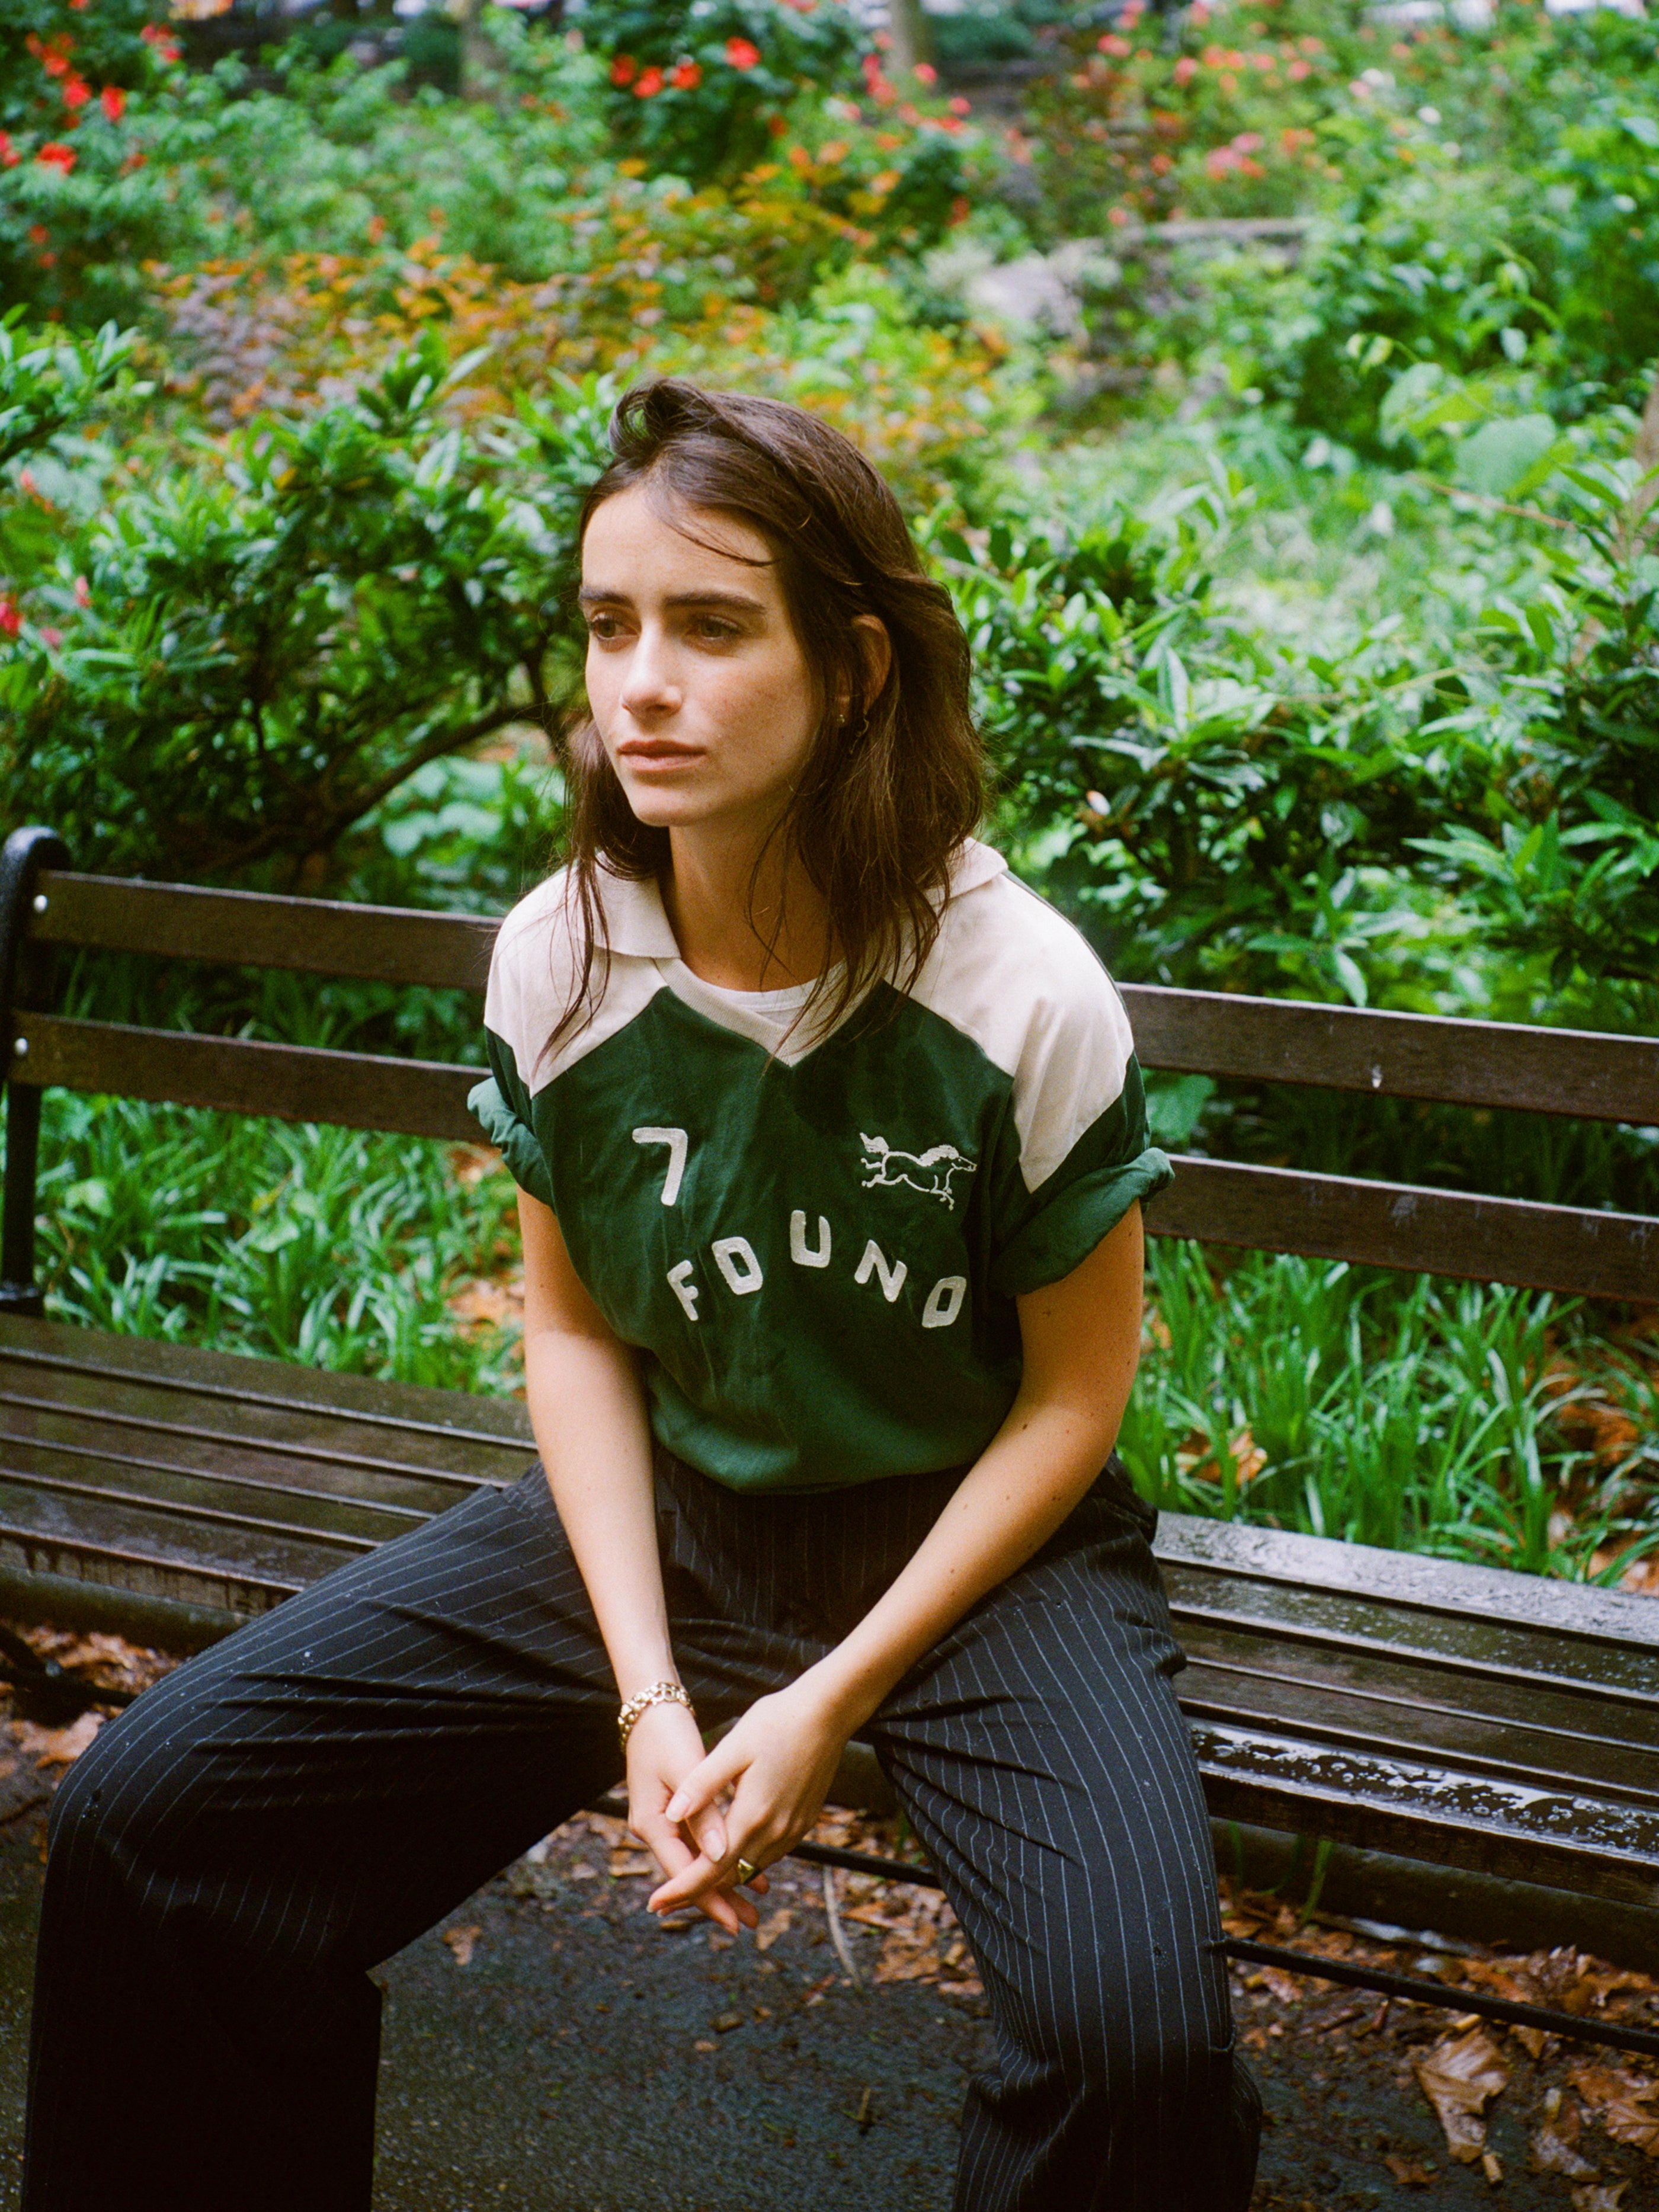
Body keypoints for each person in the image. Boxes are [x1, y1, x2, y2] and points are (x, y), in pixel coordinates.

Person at [23, 380, 1260, 2212]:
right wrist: (648, 1696)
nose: (640, 685)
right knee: (155, 1821)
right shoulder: (565, 950)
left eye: (710, 625)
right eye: (610, 626)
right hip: (671, 1515)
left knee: (1139, 2051)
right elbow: (585, 1327)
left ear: (850, 667)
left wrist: (834, 1695)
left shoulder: (1022, 993)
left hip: (975, 1554)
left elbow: (1073, 1403)